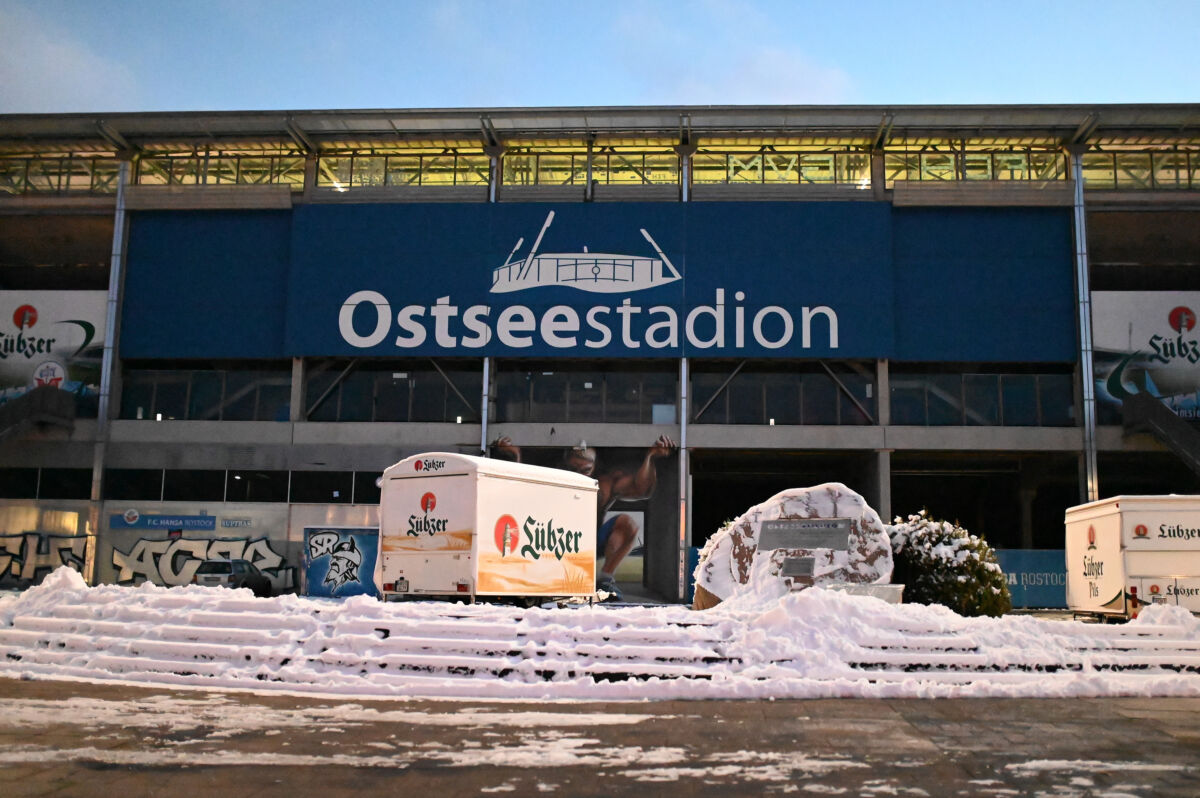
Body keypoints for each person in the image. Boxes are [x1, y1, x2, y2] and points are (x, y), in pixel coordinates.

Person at [491, 435, 677, 600]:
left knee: (627, 524)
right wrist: (514, 456)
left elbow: (642, 489)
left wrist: (650, 457)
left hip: (590, 543)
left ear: (594, 467)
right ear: (564, 466)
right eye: (573, 469)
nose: (578, 476)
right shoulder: (552, 480)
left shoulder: (604, 484)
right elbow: (520, 488)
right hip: (555, 544)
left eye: (585, 470)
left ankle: (605, 580)